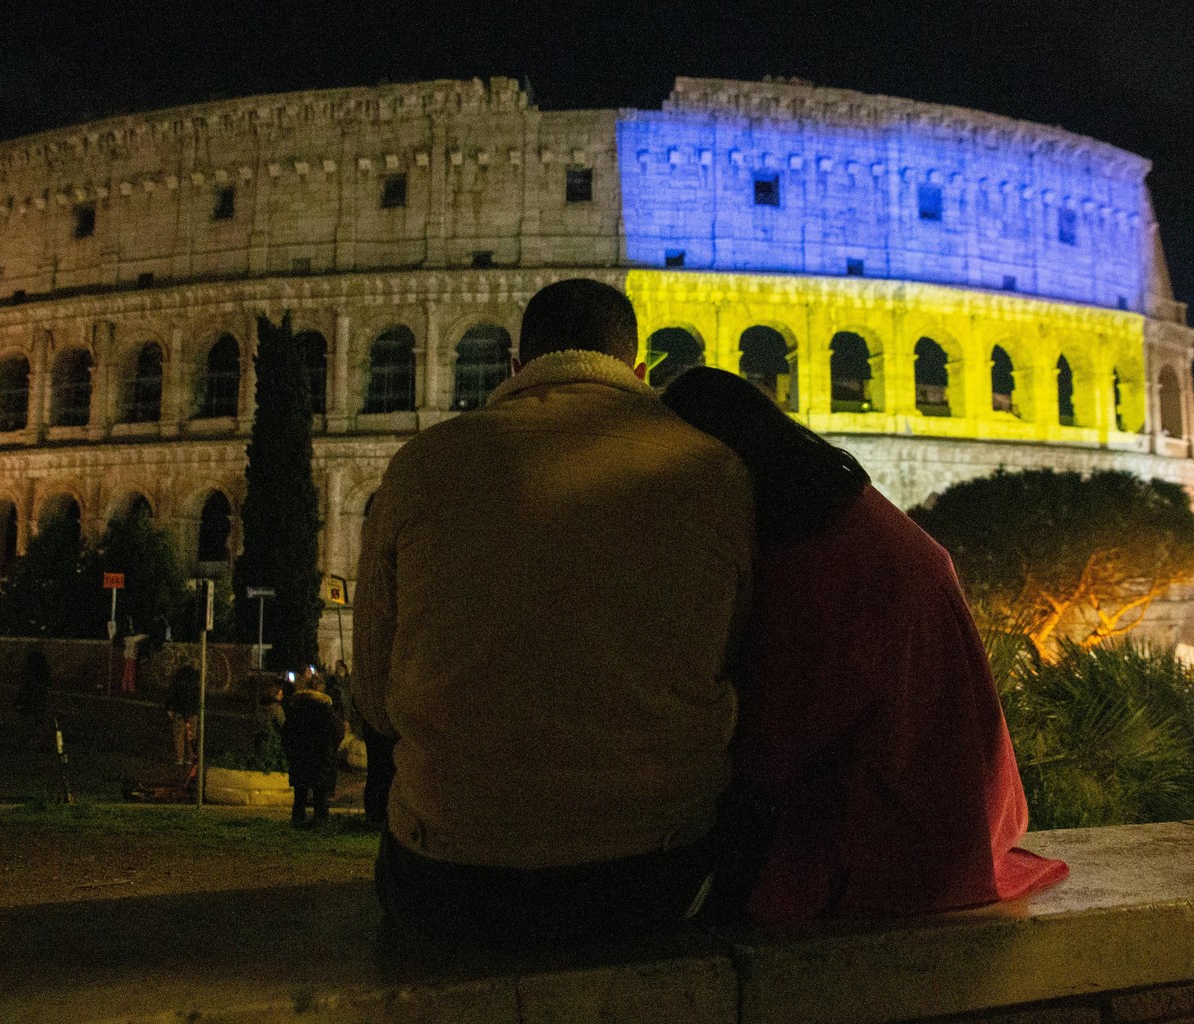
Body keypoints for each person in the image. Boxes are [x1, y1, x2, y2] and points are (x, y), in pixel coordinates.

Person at [353, 278, 753, 944]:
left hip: (447, 880)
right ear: (640, 371)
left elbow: (372, 694)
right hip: (656, 877)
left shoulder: (421, 465)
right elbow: (733, 661)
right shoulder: (718, 474)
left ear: (517, 368)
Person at [661, 366, 1067, 922]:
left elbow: (775, 738)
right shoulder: (846, 512)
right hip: (957, 814)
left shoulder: (814, 559)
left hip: (893, 841)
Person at [282, 666, 344, 828]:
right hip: (321, 754)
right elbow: (337, 731)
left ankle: (297, 819)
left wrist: (290, 749)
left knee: (300, 793)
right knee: (320, 792)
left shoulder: (296, 706)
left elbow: (287, 731)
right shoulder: (325, 708)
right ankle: (320, 821)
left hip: (300, 754)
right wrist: (332, 748)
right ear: (321, 688)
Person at [165, 664, 200, 767]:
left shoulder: (177, 680)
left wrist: (169, 708)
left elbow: (171, 694)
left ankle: (180, 758)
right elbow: (197, 697)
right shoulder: (195, 681)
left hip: (179, 711)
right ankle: (190, 757)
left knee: (179, 734)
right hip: (192, 712)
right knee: (191, 735)